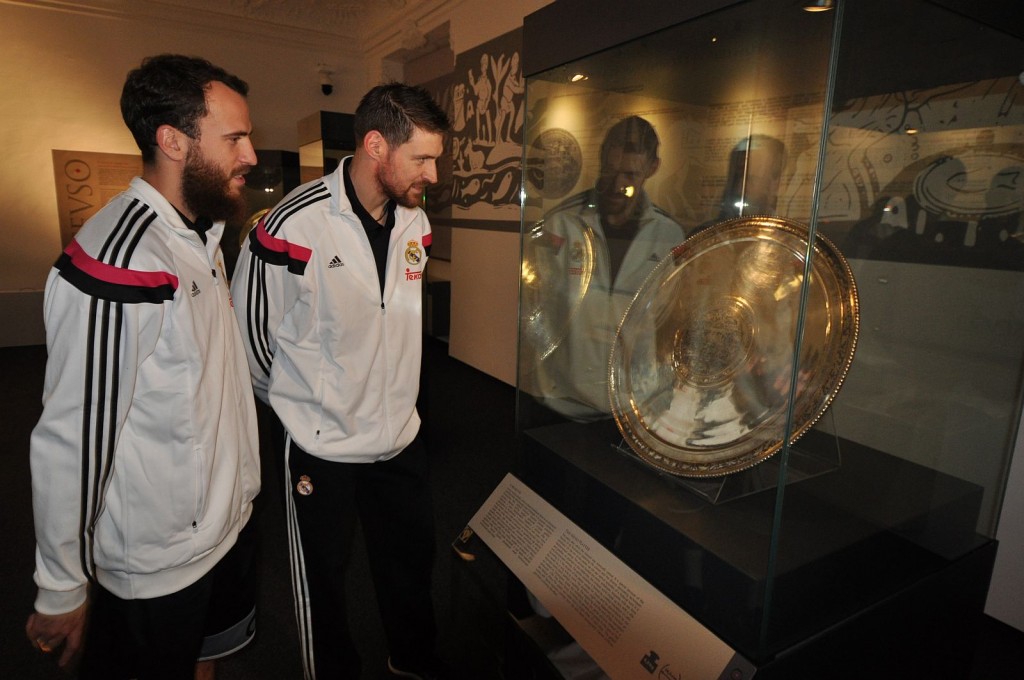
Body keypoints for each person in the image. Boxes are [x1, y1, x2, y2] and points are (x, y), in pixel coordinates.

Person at [25, 54, 261, 680]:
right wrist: (61, 585)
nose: (251, 155)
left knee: (208, 660)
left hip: (226, 527)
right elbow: (75, 437)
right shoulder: (121, 258)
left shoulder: (203, 236)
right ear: (173, 141)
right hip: (160, 562)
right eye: (235, 138)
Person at [231, 82, 451, 680]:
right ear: (376, 146)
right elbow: (250, 339)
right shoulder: (291, 225)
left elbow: (397, 322)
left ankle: (413, 659)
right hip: (321, 444)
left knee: (410, 561)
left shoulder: (416, 222)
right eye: (422, 158)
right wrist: (306, 407)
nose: (433, 174)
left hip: (400, 438)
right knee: (322, 581)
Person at [522, 115, 687, 421]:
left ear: (652, 168)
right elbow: (536, 308)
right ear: (600, 159)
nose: (617, 184)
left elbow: (667, 320)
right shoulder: (561, 224)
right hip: (563, 399)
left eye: (630, 175)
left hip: (632, 403)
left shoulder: (669, 235)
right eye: (610, 171)